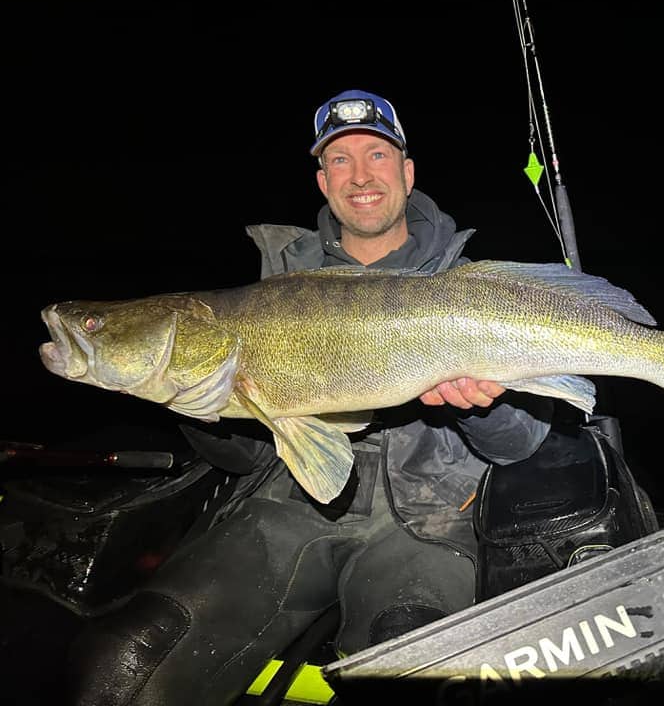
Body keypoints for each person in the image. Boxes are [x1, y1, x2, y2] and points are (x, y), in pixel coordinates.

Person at [65, 89, 554, 706]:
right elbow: (239, 460)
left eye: (377, 154)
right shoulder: (273, 287)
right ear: (323, 181)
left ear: (406, 172)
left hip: (429, 525)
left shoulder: (470, 288)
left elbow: (523, 446)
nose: (361, 176)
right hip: (283, 514)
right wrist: (189, 398)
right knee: (123, 664)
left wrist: (480, 406)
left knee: (409, 678)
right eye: (341, 161)